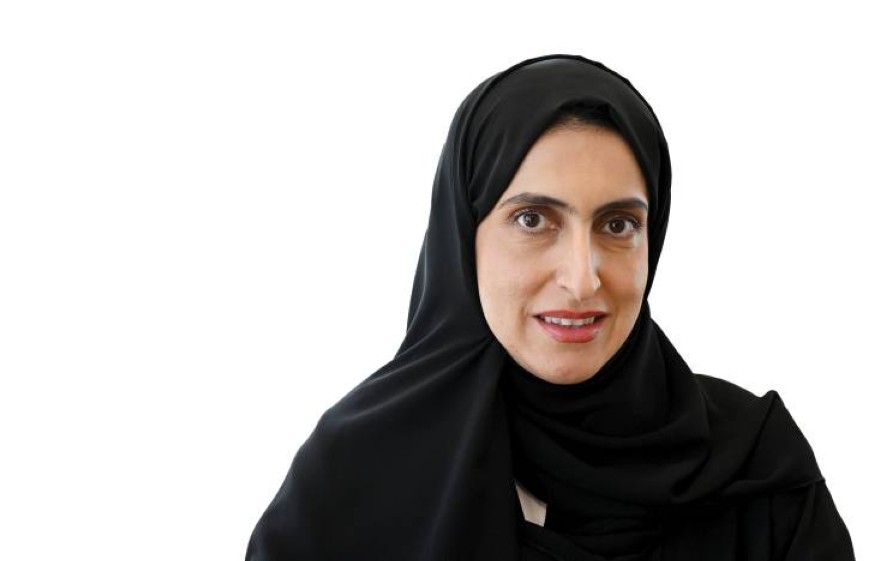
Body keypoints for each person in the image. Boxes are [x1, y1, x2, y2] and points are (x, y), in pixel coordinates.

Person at [246, 54, 855, 560]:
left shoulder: (756, 470)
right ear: (464, 236)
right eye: (533, 220)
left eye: (618, 224)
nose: (582, 279)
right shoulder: (354, 480)